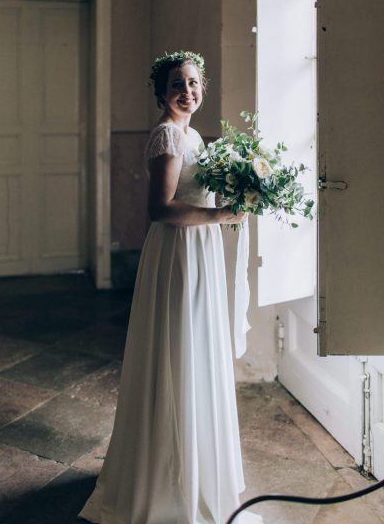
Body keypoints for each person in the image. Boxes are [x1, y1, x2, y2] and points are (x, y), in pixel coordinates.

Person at [78, 51, 262, 524]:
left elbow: (198, 190)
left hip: (198, 250)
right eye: (177, 84)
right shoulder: (167, 133)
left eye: (195, 82)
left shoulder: (194, 134)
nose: (188, 91)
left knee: (196, 350)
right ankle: (166, 477)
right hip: (178, 254)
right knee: (178, 349)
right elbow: (160, 209)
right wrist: (221, 216)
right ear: (161, 92)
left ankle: (194, 469)